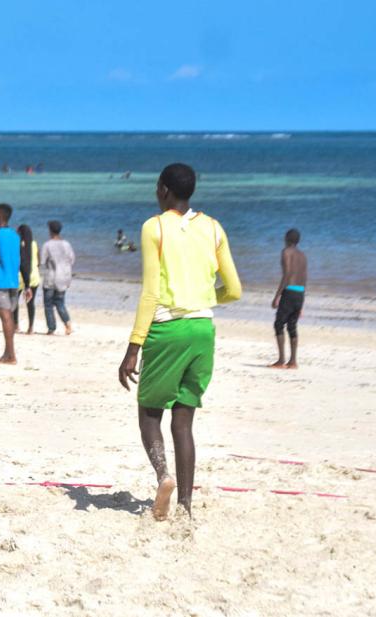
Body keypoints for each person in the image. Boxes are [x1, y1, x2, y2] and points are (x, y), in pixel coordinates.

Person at [117, 163, 242, 521]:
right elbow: (234, 289)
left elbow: (150, 293)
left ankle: (163, 475)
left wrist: (133, 348)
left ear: (163, 190)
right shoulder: (214, 228)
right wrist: (201, 299)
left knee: (149, 414)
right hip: (203, 329)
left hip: (167, 328)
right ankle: (186, 506)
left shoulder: (153, 226)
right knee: (184, 421)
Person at [0, 204, 30, 363]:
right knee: (8, 316)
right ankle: (8, 353)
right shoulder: (15, 235)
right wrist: (28, 284)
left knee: (6, 317)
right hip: (14, 282)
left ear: (0, 215)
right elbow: (24, 260)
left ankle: (10, 355)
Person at [270, 228, 307, 369]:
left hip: (289, 292)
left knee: (279, 324)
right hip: (300, 293)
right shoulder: (303, 255)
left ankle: (281, 360)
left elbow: (287, 274)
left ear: (286, 239)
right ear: (297, 241)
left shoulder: (286, 252)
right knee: (292, 326)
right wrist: (302, 302)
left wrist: (277, 296)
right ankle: (293, 362)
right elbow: (304, 278)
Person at [40, 220, 75, 335]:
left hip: (51, 277)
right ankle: (67, 323)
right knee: (60, 302)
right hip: (64, 277)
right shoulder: (67, 244)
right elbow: (72, 260)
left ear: (50, 230)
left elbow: (42, 261)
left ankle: (51, 328)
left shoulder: (47, 245)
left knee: (48, 304)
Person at [16, 224, 41, 335]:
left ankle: (16, 326)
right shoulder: (34, 244)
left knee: (14, 303)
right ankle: (30, 328)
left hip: (20, 277)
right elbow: (39, 261)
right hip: (34, 277)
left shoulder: (18, 244)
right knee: (30, 303)